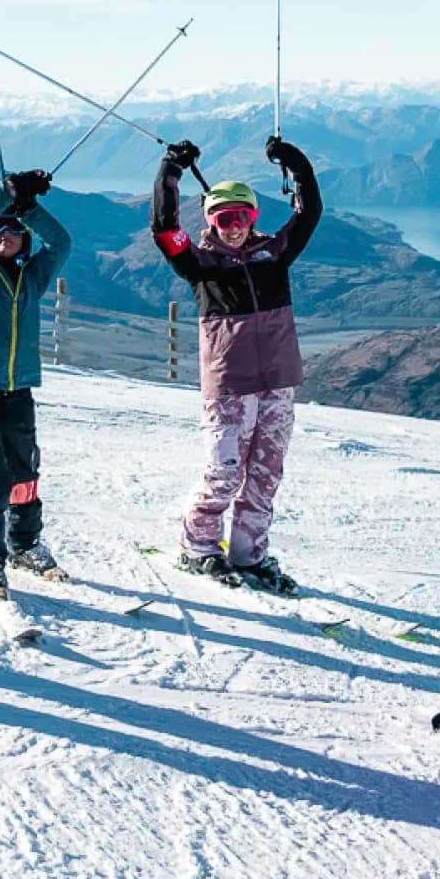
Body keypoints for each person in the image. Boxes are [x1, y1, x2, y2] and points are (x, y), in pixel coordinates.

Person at [152, 135, 321, 593]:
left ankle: (249, 554)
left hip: (277, 382)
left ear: (252, 217)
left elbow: (310, 214)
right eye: (224, 219)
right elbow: (164, 229)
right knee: (224, 471)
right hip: (229, 385)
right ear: (211, 220)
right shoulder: (200, 263)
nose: (233, 227)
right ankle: (198, 547)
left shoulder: (275, 254)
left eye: (241, 217)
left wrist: (294, 162)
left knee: (266, 471)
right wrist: (171, 171)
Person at [0, 169, 72, 598]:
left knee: (24, 470)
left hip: (18, 386)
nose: (4, 234)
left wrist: (28, 209)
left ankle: (24, 545)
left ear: (25, 238)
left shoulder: (32, 278)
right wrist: (1, 195)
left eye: (14, 229)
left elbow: (61, 242)